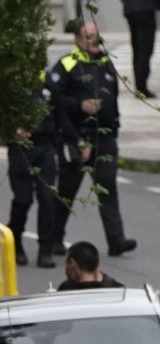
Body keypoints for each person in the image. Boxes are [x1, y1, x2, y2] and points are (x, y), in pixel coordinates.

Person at [50, 21, 134, 259]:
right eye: (88, 37)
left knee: (107, 188)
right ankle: (54, 237)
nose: (95, 42)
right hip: (75, 139)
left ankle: (116, 240)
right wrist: (80, 106)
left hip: (104, 138)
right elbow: (55, 101)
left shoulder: (105, 63)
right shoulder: (67, 65)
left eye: (97, 36)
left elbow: (113, 96)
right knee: (67, 190)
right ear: (77, 40)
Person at [5, 75, 62, 267]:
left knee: (47, 198)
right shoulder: (11, 83)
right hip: (22, 149)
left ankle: (45, 249)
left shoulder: (48, 83)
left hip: (45, 147)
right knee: (23, 200)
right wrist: (13, 130)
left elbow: (60, 111)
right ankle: (16, 241)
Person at [57, 241, 121, 289]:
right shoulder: (117, 289)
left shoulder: (66, 289)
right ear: (97, 263)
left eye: (66, 263)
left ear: (73, 263)